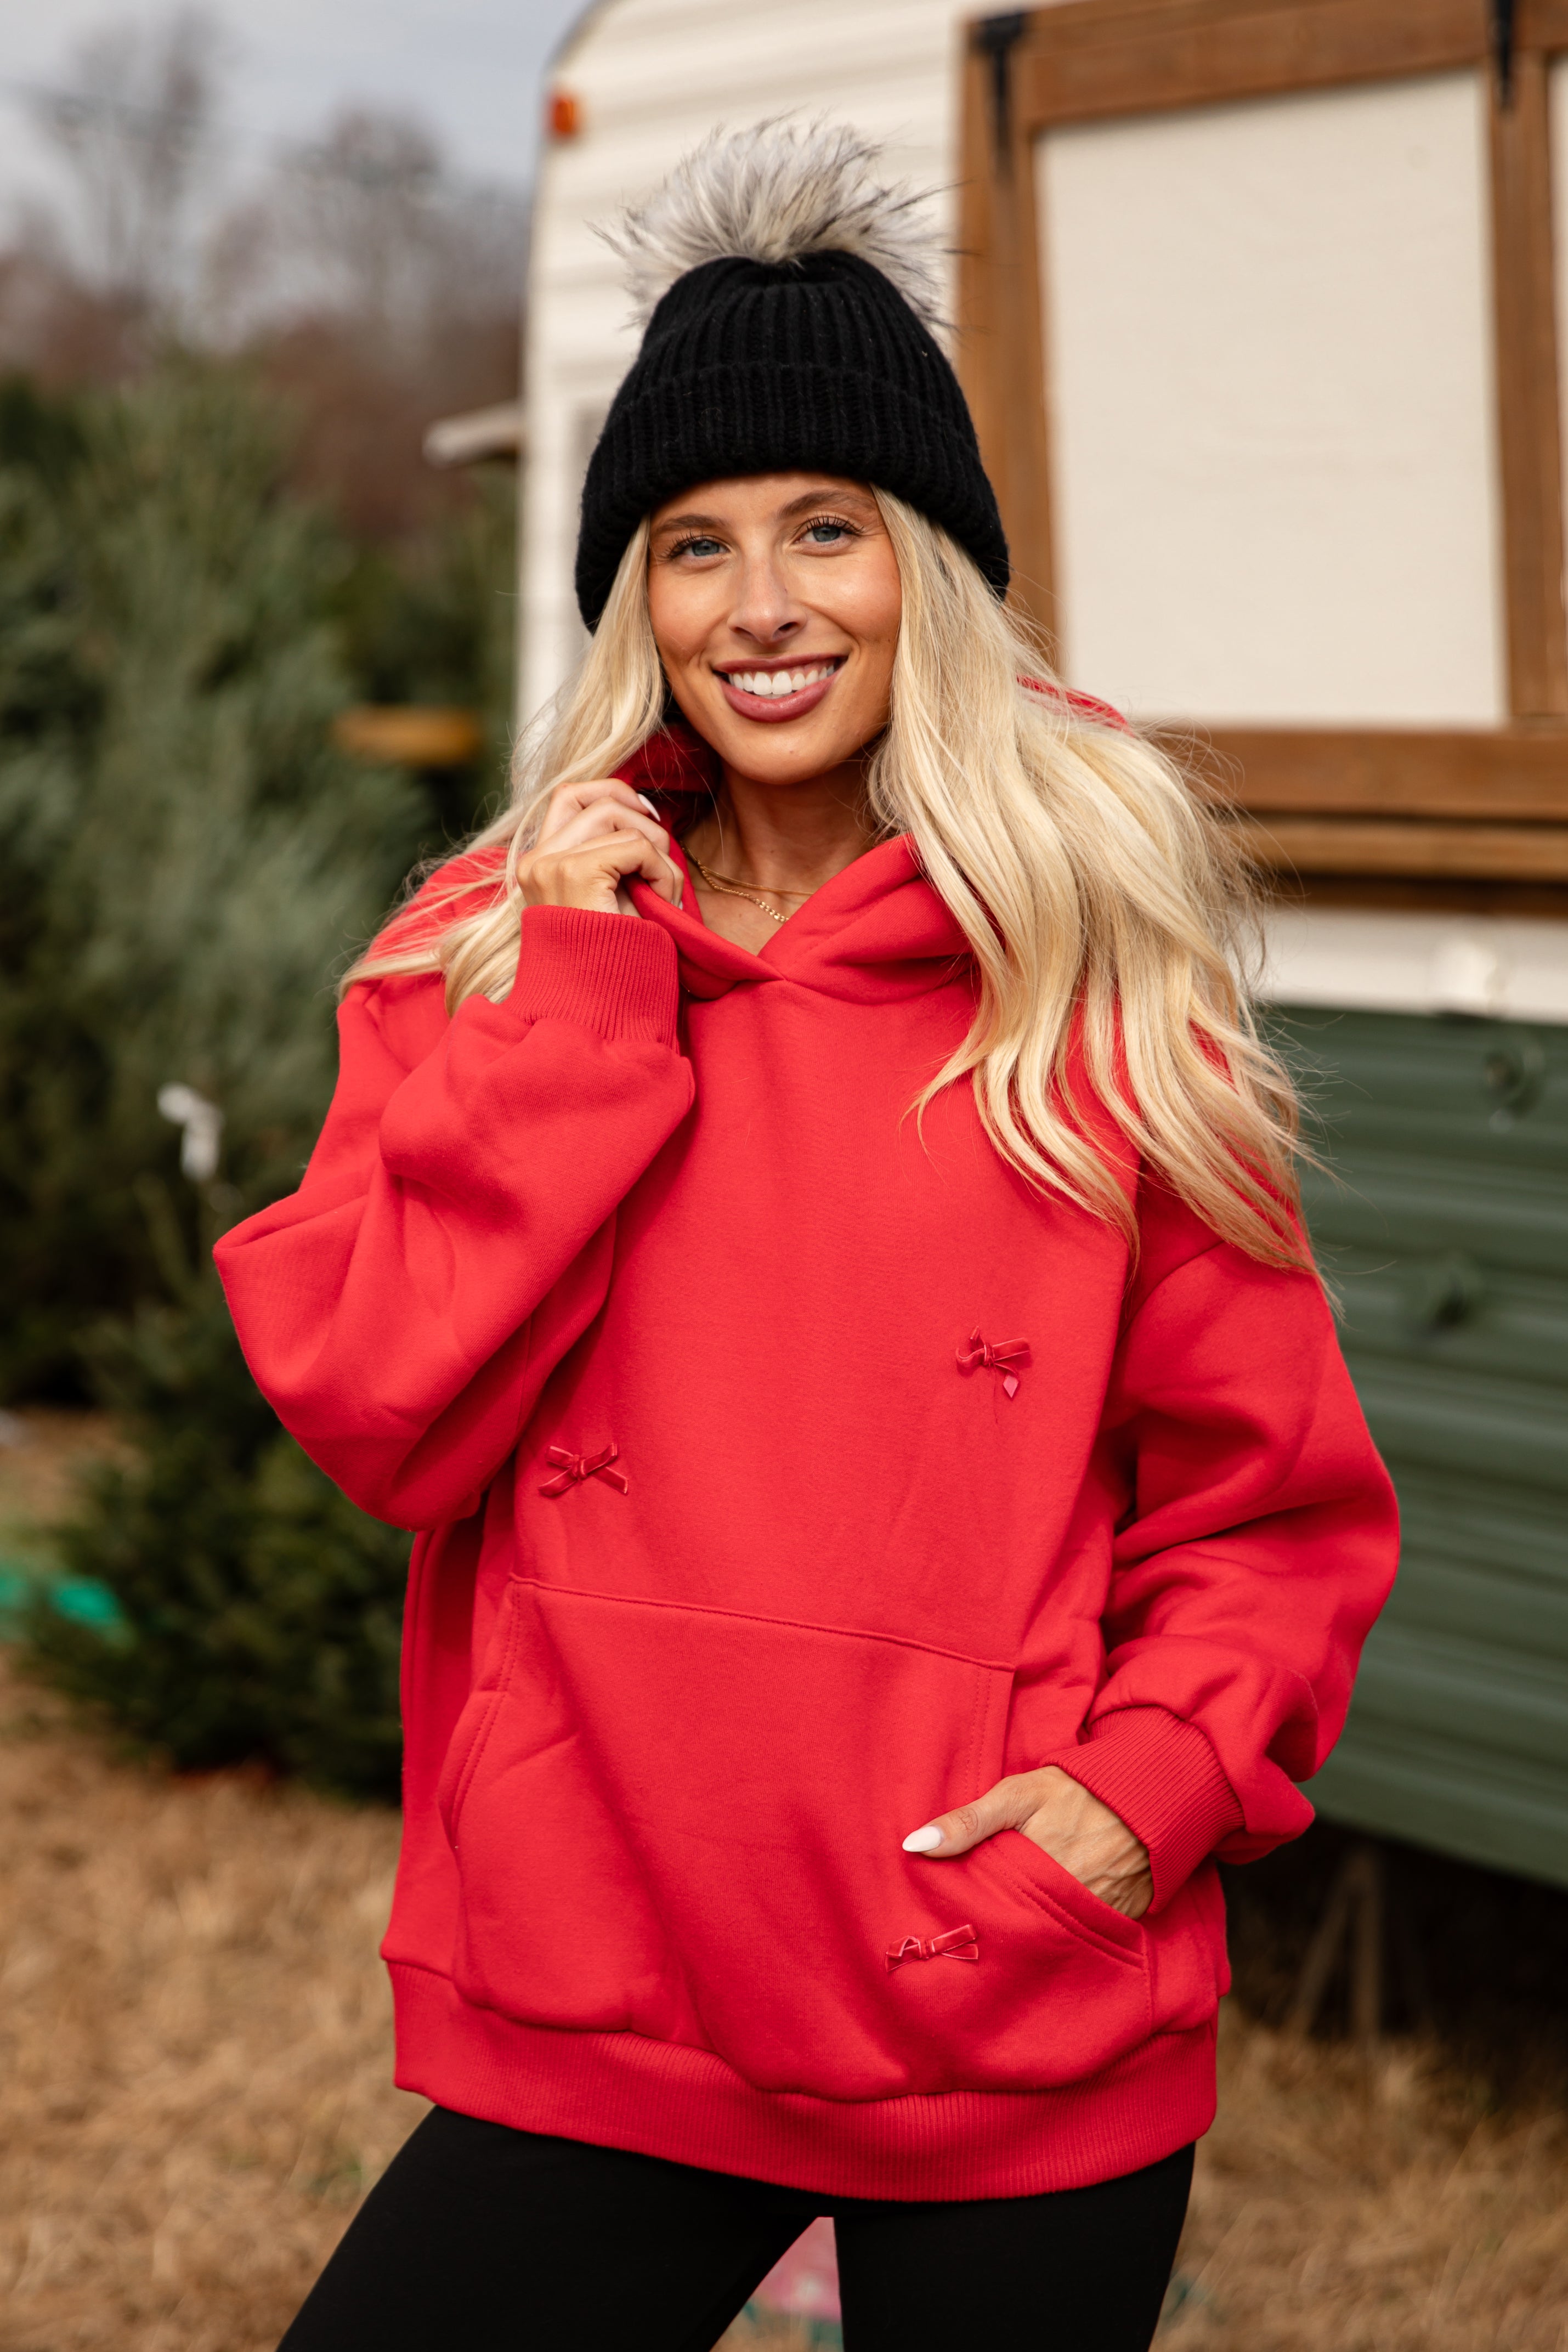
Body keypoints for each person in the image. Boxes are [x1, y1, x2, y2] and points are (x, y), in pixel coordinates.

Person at [216, 121, 1398, 2352]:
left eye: (824, 529)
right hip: (600, 1982)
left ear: (923, 565)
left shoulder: (1089, 977)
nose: (759, 605)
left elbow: (1277, 1508)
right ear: (630, 600)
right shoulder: (481, 956)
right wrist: (581, 1010)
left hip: (1001, 2000)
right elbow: (384, 1410)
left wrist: (1133, 1806)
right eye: (690, 545)